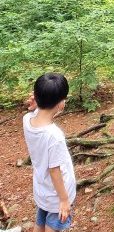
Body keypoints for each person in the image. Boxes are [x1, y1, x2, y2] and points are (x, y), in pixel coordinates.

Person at [23, 73, 76, 232]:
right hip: (56, 196)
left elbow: (34, 113)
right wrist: (64, 200)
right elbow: (54, 170)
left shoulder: (27, 120)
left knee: (40, 224)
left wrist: (34, 108)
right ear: (61, 103)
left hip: (42, 190)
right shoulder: (54, 136)